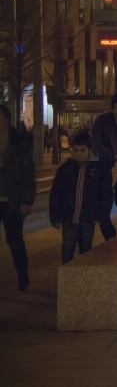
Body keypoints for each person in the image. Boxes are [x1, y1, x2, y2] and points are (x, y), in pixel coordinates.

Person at [49, 131, 113, 264]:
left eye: (82, 150)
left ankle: (83, 278)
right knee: (67, 248)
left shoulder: (99, 170)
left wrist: (101, 216)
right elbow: (56, 193)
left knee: (86, 248)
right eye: (76, 150)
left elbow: (105, 195)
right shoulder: (65, 169)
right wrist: (55, 217)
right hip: (69, 217)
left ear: (90, 150)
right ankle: (67, 278)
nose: (78, 154)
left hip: (88, 218)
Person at [0, 104, 35, 291]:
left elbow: (28, 173)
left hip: (12, 201)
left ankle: (22, 274)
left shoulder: (19, 143)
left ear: (6, 120)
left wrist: (26, 200)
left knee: (14, 240)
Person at [90, 92, 117, 218]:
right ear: (116, 105)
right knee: (102, 201)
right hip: (96, 167)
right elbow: (95, 142)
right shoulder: (102, 120)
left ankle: (104, 226)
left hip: (106, 166)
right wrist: (113, 155)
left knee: (106, 202)